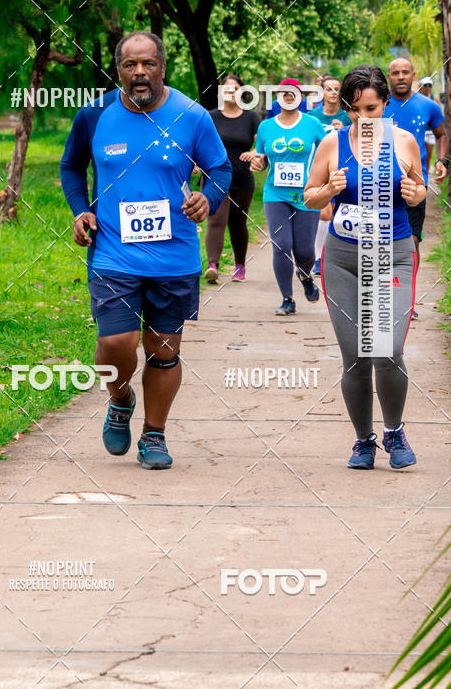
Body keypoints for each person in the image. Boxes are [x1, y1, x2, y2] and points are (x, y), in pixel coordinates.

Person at [60, 31, 232, 470]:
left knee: (163, 350)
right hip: (113, 253)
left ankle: (153, 435)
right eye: (130, 65)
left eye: (148, 64)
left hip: (174, 257)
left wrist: (207, 199)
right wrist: (81, 211)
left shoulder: (191, 115)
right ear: (117, 69)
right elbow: (71, 166)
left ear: (162, 67)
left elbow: (219, 168)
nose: (139, 73)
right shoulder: (94, 115)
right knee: (116, 341)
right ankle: (120, 397)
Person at [304, 65, 426, 470]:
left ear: (386, 104)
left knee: (386, 350)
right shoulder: (332, 143)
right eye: (356, 110)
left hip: (392, 254)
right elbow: (309, 199)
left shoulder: (406, 141)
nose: (364, 118)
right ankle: (363, 441)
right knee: (355, 355)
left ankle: (394, 430)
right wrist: (328, 190)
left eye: (372, 109)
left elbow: (420, 187)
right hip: (343, 259)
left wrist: (414, 192)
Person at [251, 82, 325, 314]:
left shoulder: (312, 124)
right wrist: (257, 162)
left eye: (293, 93)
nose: (288, 97)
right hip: (275, 193)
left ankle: (304, 276)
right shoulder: (266, 126)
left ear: (300, 96)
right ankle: (287, 298)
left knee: (305, 251)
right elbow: (261, 159)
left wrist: (326, 186)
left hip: (307, 193)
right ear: (278, 97)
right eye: (284, 93)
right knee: (281, 245)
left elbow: (327, 152)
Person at [386, 58, 447, 269]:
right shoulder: (378, 105)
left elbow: (441, 134)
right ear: (388, 77)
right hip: (379, 182)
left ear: (413, 75)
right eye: (396, 73)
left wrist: (441, 160)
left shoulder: (428, 106)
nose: (401, 77)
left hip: (415, 183)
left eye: (405, 72)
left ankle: (407, 294)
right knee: (381, 242)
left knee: (411, 240)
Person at [204, 73, 260, 283]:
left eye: (234, 89)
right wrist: (194, 162)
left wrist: (255, 153)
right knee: (216, 219)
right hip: (215, 176)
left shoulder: (251, 117)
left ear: (241, 93)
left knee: (238, 223)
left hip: (242, 177)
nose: (230, 92)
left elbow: (261, 144)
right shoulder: (210, 116)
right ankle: (213, 266)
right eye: (226, 89)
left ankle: (239, 266)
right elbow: (199, 142)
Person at [306, 75, 352, 275]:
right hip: (318, 168)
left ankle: (334, 255)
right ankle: (318, 258)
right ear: (321, 92)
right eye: (329, 89)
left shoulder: (347, 116)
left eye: (337, 89)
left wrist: (344, 130)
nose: (333, 93)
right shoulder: (312, 117)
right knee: (324, 213)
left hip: (342, 167)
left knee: (335, 214)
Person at [418, 75, 443, 173]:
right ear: (420, 86)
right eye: (425, 85)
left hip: (430, 132)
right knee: (418, 156)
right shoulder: (415, 98)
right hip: (419, 131)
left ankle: (425, 177)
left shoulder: (434, 98)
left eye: (430, 85)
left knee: (428, 156)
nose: (428, 87)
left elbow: (439, 115)